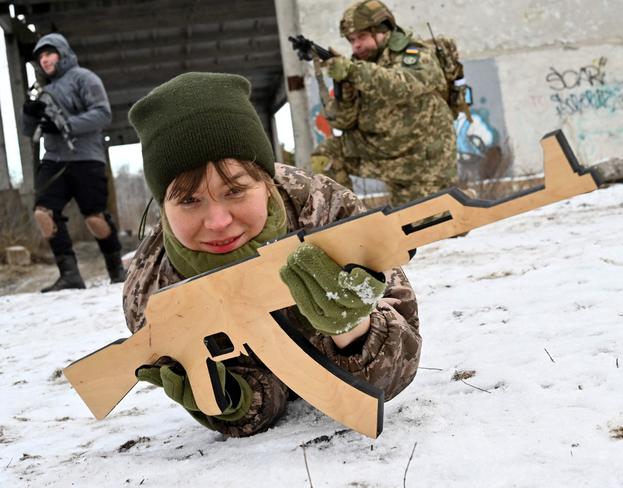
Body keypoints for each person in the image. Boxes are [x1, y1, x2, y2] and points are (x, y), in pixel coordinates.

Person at [124, 72, 421, 437]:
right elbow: (259, 407)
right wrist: (227, 399)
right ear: (163, 207)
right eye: (189, 200)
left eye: (234, 191)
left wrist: (354, 327)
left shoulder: (326, 212)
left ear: (266, 184)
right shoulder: (152, 291)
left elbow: (397, 370)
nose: (218, 221)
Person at [311, 0, 457, 207]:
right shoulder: (362, 65)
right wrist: (345, 86)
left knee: (425, 226)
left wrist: (353, 71)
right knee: (327, 153)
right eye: (351, 40)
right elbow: (344, 123)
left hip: (421, 161)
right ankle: (346, 220)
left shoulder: (415, 53)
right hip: (383, 152)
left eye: (361, 37)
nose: (356, 46)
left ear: (383, 31)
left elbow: (402, 86)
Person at [21, 33, 125, 292]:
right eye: (40, 56)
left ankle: (115, 270)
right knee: (43, 212)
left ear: (62, 53)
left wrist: (66, 125)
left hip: (86, 157)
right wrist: (29, 115)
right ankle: (70, 275)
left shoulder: (84, 78)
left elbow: (103, 113)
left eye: (49, 53)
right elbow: (28, 133)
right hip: (54, 159)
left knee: (94, 218)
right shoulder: (44, 91)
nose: (44, 60)